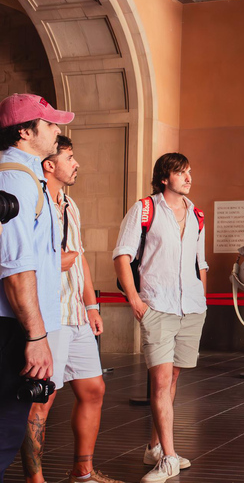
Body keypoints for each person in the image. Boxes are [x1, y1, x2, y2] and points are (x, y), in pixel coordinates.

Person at [21, 136, 122, 483]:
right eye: (70, 157)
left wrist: (91, 305)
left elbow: (80, 260)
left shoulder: (71, 205)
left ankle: (83, 472)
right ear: (50, 164)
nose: (76, 163)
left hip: (76, 314)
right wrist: (53, 261)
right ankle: (36, 481)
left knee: (94, 389)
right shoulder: (31, 200)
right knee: (41, 402)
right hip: (49, 315)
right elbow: (15, 258)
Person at [113, 153, 208, 483]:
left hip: (190, 308)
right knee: (161, 382)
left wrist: (202, 299)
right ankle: (168, 458)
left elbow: (201, 263)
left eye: (189, 171)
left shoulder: (196, 214)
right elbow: (122, 257)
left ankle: (154, 447)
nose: (188, 177)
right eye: (181, 172)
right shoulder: (144, 209)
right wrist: (135, 300)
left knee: (172, 383)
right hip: (157, 306)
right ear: (164, 177)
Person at [0, 94, 72, 480]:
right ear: (26, 131)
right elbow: (15, 268)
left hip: (20, 326)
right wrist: (36, 335)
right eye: (50, 124)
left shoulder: (30, 177)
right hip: (13, 327)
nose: (58, 129)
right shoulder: (14, 178)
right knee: (3, 435)